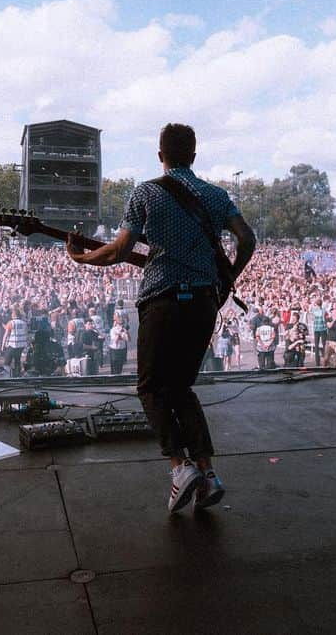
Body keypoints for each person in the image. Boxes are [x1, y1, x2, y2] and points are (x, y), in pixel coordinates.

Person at [65, 123, 256, 513]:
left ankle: (179, 467)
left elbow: (119, 250)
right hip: (204, 302)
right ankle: (208, 474)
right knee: (181, 387)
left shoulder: (147, 192)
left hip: (163, 300)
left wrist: (81, 257)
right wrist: (226, 281)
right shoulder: (218, 195)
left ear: (160, 155)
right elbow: (247, 240)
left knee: (151, 388)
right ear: (194, 155)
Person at [2, 307, 28, 377]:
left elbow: (6, 335)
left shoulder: (11, 323)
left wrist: (3, 346)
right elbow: (26, 334)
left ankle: (7, 376)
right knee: (17, 360)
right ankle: (17, 375)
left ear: (13, 315)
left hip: (13, 344)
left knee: (7, 361)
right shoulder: (24, 323)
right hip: (21, 345)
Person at [310, 298, 327, 366]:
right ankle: (325, 360)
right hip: (323, 329)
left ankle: (317, 362)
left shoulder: (313, 310)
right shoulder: (323, 310)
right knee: (324, 345)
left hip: (316, 329)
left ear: (316, 304)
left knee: (316, 346)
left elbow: (312, 318)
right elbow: (324, 319)